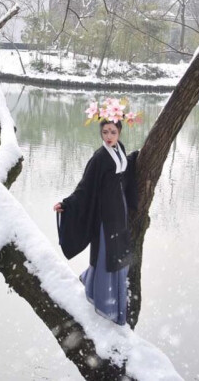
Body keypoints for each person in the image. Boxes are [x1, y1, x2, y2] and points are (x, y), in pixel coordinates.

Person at [54, 101, 140, 326]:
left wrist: (134, 157)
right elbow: (85, 187)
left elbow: (125, 168)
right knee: (106, 256)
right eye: (104, 132)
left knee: (119, 256)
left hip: (118, 213)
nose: (108, 136)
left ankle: (91, 282)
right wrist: (67, 204)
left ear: (119, 132)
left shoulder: (119, 150)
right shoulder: (99, 158)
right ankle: (103, 301)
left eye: (112, 132)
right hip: (105, 215)